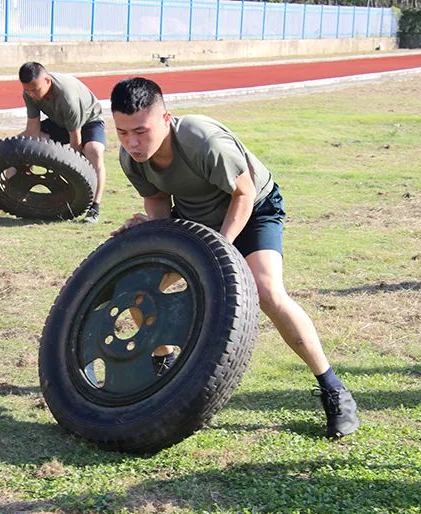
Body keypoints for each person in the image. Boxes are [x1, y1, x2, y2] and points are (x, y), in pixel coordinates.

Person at [110, 77, 359, 438]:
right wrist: (158, 240)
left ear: (166, 119)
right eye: (121, 132)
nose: (132, 142)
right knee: (146, 286)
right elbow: (159, 200)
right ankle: (164, 370)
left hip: (253, 207)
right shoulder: (132, 159)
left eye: (141, 131)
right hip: (196, 218)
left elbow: (242, 193)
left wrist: (218, 253)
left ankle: (333, 388)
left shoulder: (202, 140)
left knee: (266, 290)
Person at [11, 61, 107, 223]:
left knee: (93, 150)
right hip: (59, 123)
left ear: (47, 81)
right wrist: (26, 157)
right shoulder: (29, 92)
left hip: (89, 122)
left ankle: (94, 208)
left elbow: (75, 142)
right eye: (28, 90)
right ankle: (13, 197)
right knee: (19, 146)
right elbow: (33, 131)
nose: (32, 94)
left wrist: (67, 173)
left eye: (35, 90)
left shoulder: (67, 97)